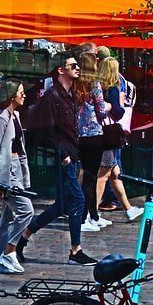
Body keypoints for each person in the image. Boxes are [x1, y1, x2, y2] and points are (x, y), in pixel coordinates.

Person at [18, 52, 96, 266]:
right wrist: (62, 154)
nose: (77, 68)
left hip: (72, 152)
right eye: (73, 65)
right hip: (64, 156)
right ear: (61, 70)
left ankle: (22, 238)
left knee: (61, 206)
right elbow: (46, 129)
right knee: (78, 200)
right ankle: (75, 251)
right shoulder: (52, 95)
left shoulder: (70, 93)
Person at [0, 80, 33, 274]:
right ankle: (9, 251)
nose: (24, 96)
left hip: (16, 169)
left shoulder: (15, 115)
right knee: (26, 211)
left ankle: (1, 259)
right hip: (7, 173)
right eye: (21, 92)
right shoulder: (1, 119)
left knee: (6, 219)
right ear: (11, 95)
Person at [96, 57, 143, 222]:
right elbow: (117, 112)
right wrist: (116, 106)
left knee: (115, 174)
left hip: (101, 132)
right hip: (108, 134)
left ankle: (128, 209)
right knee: (103, 176)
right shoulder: (112, 89)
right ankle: (91, 214)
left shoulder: (98, 87)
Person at [74, 52, 110, 232]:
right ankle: (83, 217)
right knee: (90, 176)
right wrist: (109, 107)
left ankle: (93, 214)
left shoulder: (75, 84)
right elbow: (101, 110)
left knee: (87, 174)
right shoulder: (95, 84)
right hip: (94, 132)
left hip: (78, 133)